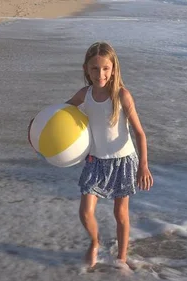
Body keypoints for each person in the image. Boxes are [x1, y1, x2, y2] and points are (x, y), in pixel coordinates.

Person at [65, 41, 153, 269]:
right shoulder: (84, 94)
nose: (100, 74)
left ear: (113, 68)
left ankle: (121, 259)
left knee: (120, 213)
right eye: (94, 68)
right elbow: (61, 113)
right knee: (85, 212)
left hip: (123, 161)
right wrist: (37, 127)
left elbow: (140, 134)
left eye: (105, 68)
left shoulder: (122, 96)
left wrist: (143, 166)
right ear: (86, 69)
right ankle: (95, 242)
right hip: (95, 161)